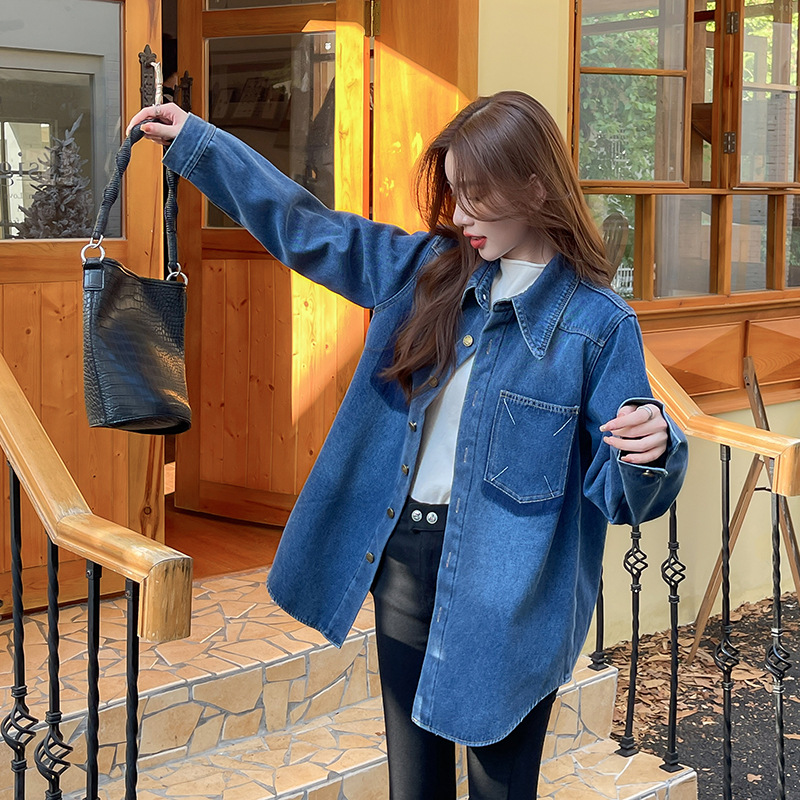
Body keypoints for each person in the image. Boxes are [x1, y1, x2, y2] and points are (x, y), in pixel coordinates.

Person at [127, 92, 687, 800]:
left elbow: (622, 491)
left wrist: (652, 449)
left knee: (501, 789)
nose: (460, 216)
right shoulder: (424, 271)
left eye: (476, 195)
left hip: (512, 591)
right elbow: (307, 228)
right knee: (413, 787)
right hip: (405, 562)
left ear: (535, 186)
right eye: (453, 193)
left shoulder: (597, 324)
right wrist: (201, 146)